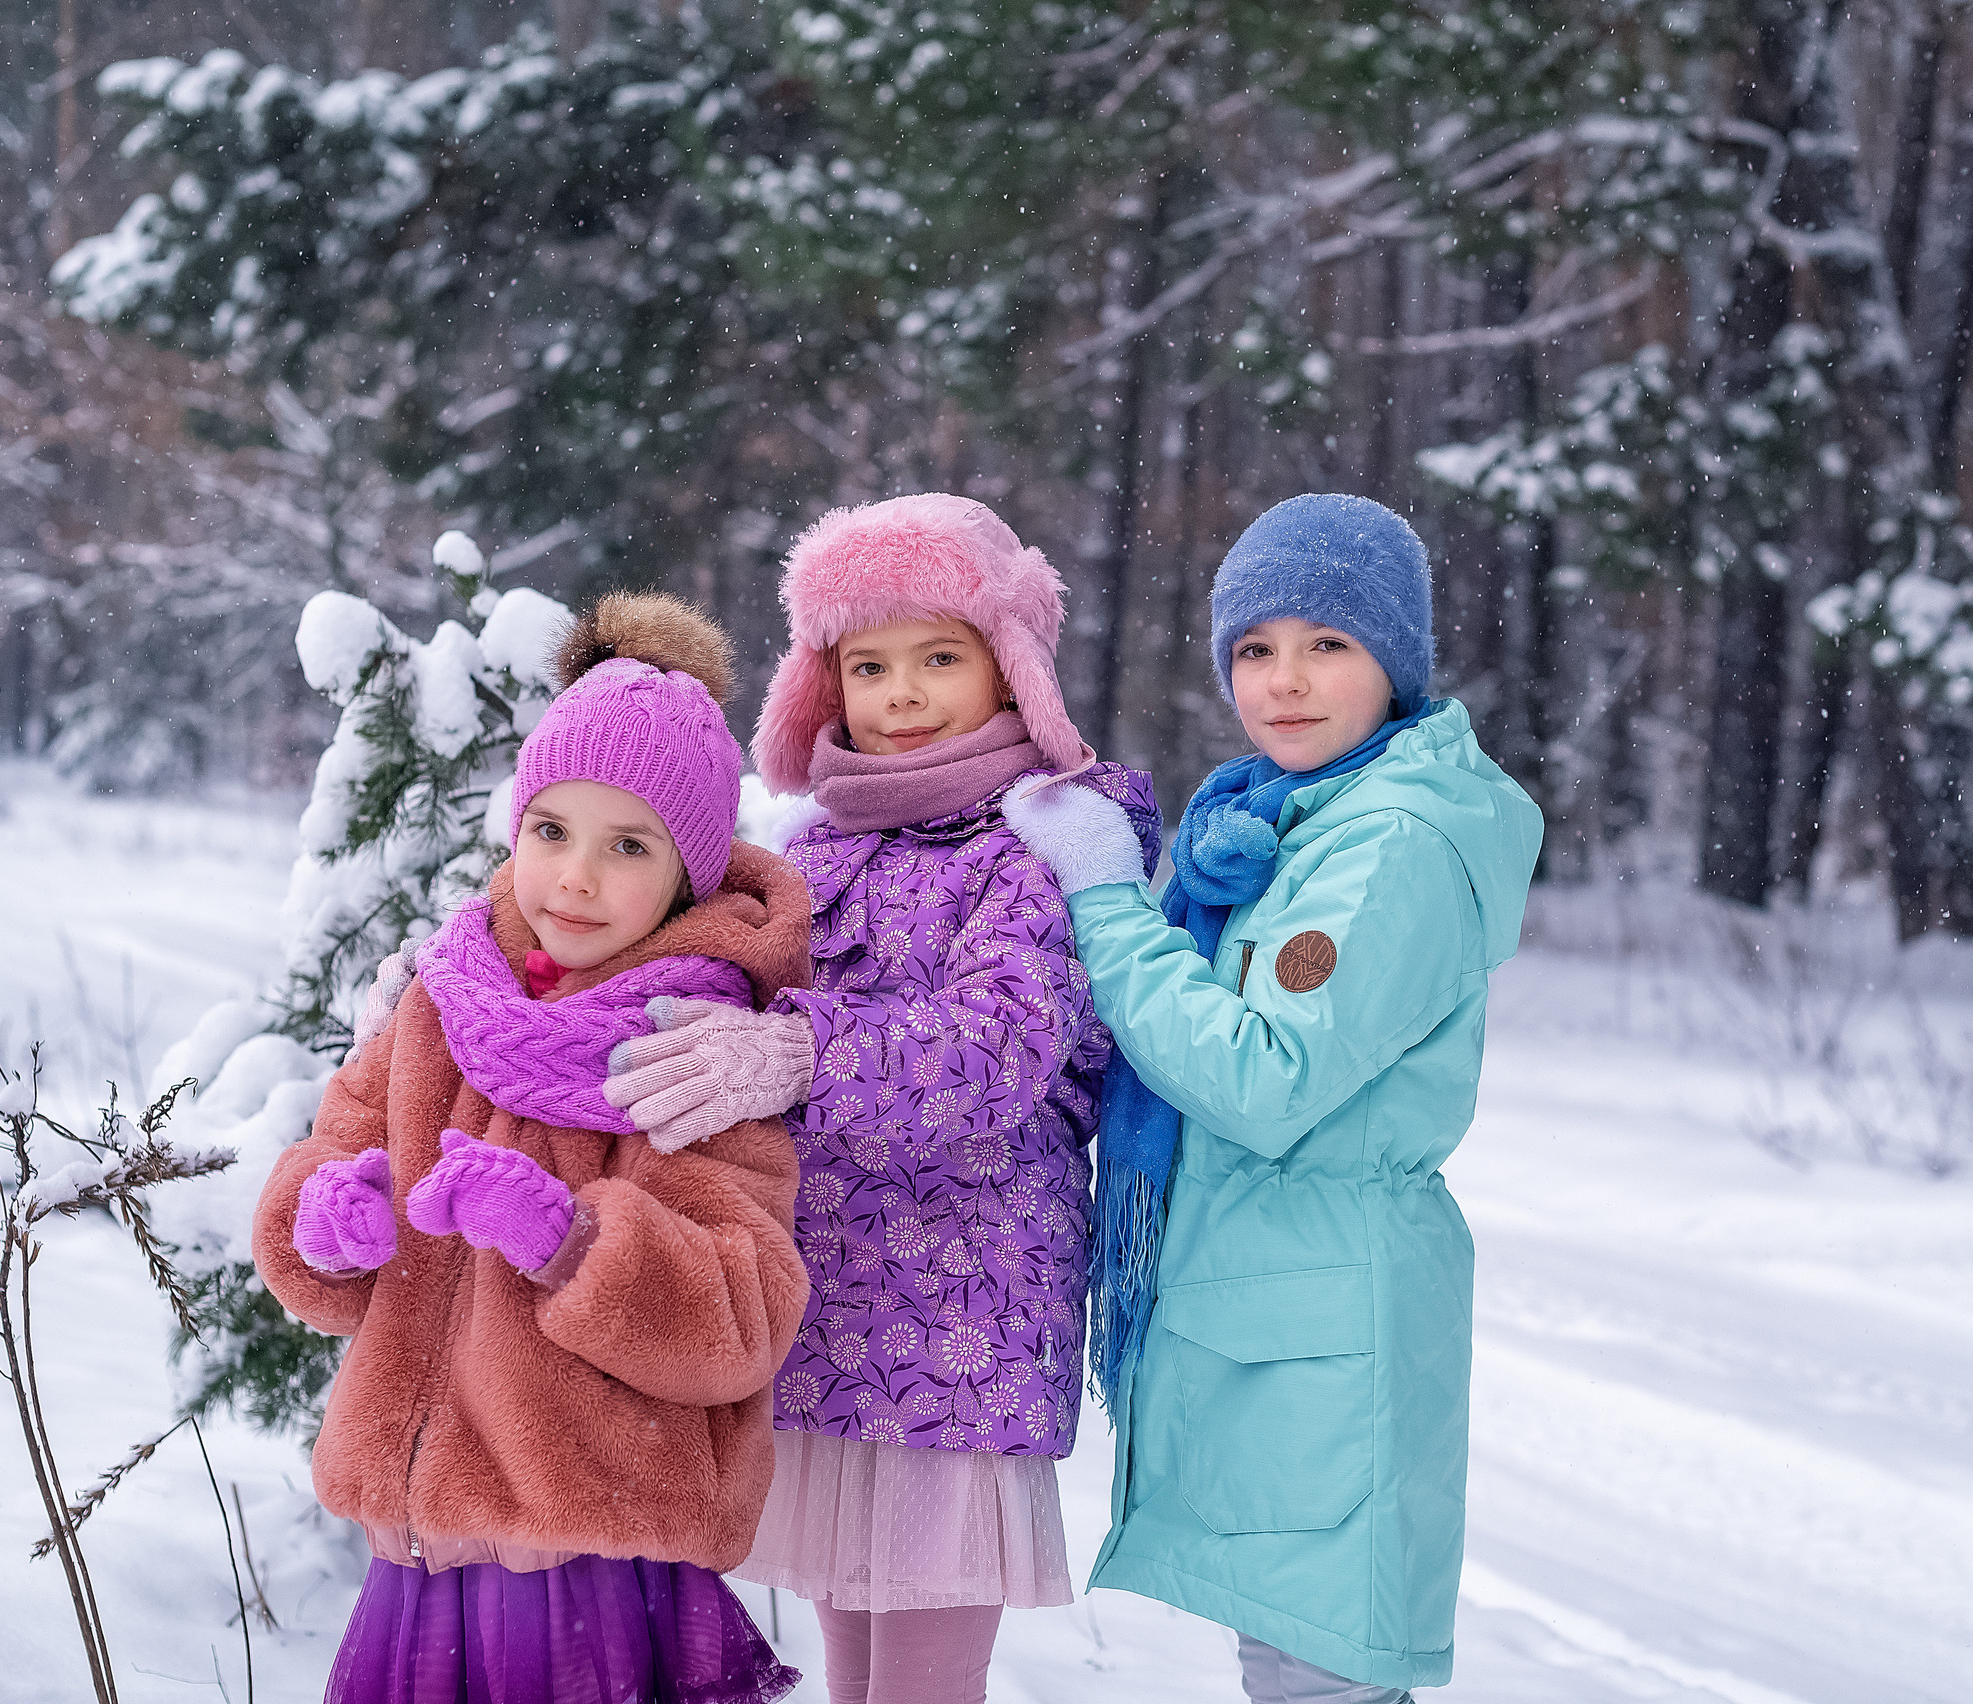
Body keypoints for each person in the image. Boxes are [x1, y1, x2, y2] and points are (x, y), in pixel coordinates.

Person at [596, 494, 1158, 1704]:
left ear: (1009, 666)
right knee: (846, 1665)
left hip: (959, 1316)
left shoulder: (1036, 842)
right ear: (823, 684)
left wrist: (798, 1056)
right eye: (869, 666)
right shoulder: (813, 845)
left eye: (938, 659)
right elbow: (678, 973)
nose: (900, 695)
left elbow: (997, 1049)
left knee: (920, 1687)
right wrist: (487, 976)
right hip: (826, 1308)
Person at [1001, 493, 1544, 1704]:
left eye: (1327, 645)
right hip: (1275, 1311)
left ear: (1394, 663)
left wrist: (1104, 899)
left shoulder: (1394, 842)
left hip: (1330, 1321)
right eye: (1255, 649)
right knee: (1292, 1670)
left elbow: (1260, 1074)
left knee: (1321, 1678)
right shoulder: (1272, 826)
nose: (1284, 681)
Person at [252, 594, 812, 1704]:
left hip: (588, 1559)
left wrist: (570, 1243)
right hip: (422, 1551)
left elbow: (744, 1315)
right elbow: (321, 1178)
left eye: (628, 846)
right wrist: (323, 1223)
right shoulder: (439, 1005)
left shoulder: (691, 1051)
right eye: (552, 831)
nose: (576, 878)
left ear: (691, 873)